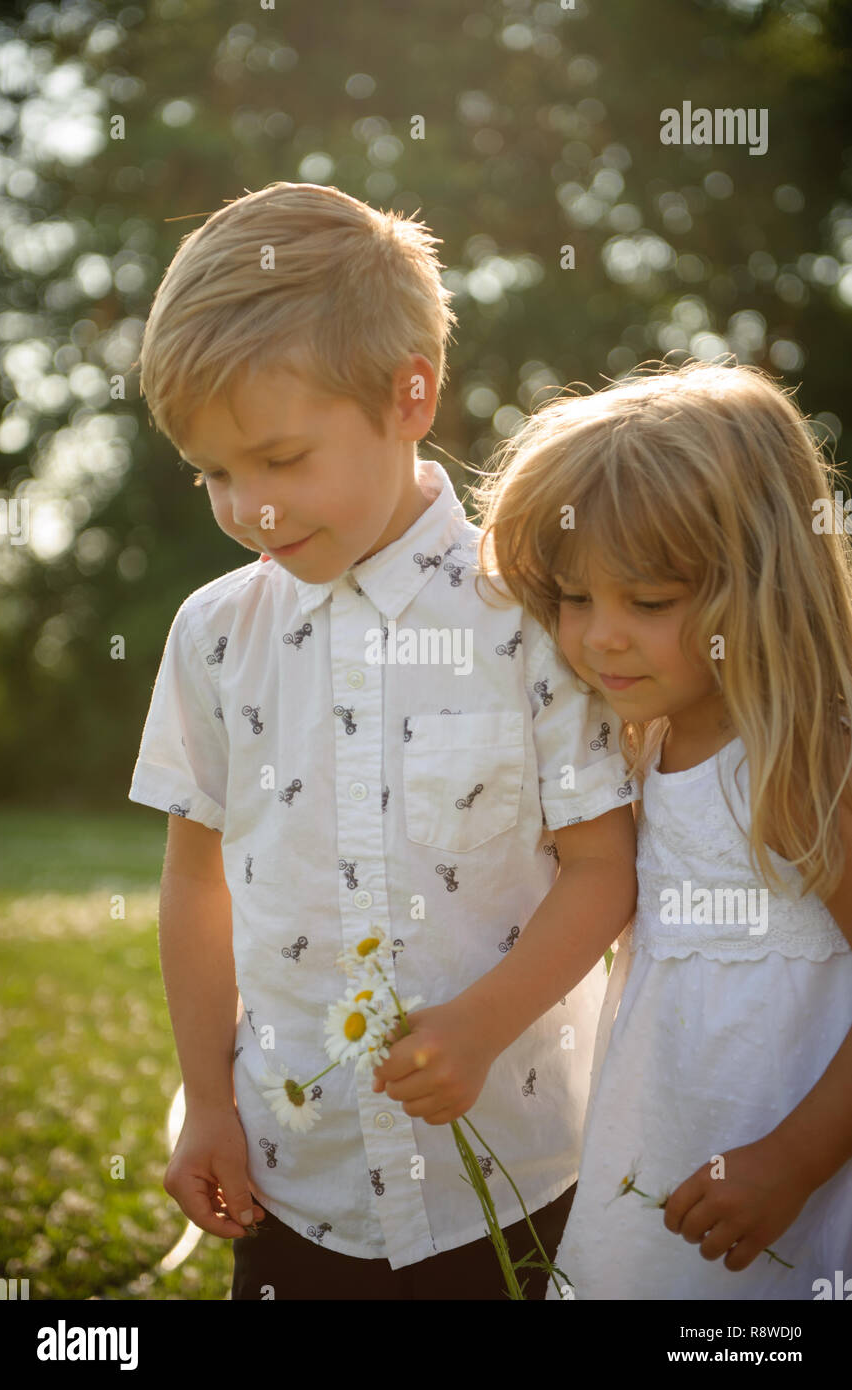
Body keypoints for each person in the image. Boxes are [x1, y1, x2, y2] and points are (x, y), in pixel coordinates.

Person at [127, 181, 639, 1300]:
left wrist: (482, 1024)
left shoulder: (529, 617)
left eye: (280, 458)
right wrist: (207, 1102)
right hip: (294, 1176)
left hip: (519, 1174)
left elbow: (605, 868)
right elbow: (195, 881)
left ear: (411, 395)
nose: (249, 509)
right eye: (214, 473)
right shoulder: (214, 635)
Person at [469, 359, 852, 1299]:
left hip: (778, 1170)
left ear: (761, 585)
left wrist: (792, 1161)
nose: (599, 636)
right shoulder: (635, 746)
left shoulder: (800, 766)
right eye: (573, 597)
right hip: (661, 1152)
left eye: (647, 603)